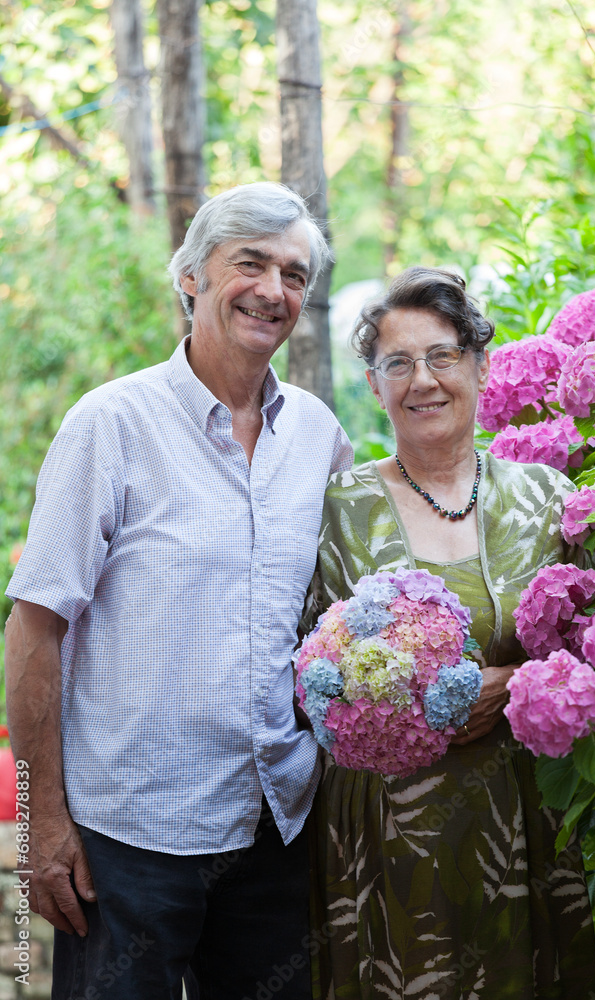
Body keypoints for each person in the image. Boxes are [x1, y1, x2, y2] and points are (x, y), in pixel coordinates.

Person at [4, 181, 353, 1000]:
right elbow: (32, 630)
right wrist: (41, 823)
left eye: (294, 274)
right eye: (251, 264)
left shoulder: (318, 436)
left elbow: (340, 619)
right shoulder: (111, 424)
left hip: (273, 828)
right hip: (130, 837)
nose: (274, 290)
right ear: (192, 275)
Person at [307, 267, 595, 999]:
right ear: (374, 386)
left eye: (441, 356)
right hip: (387, 831)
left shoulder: (545, 498)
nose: (422, 380)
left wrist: (517, 686)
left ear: (479, 364)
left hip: (523, 819)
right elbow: (292, 659)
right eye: (396, 363)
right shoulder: (333, 508)